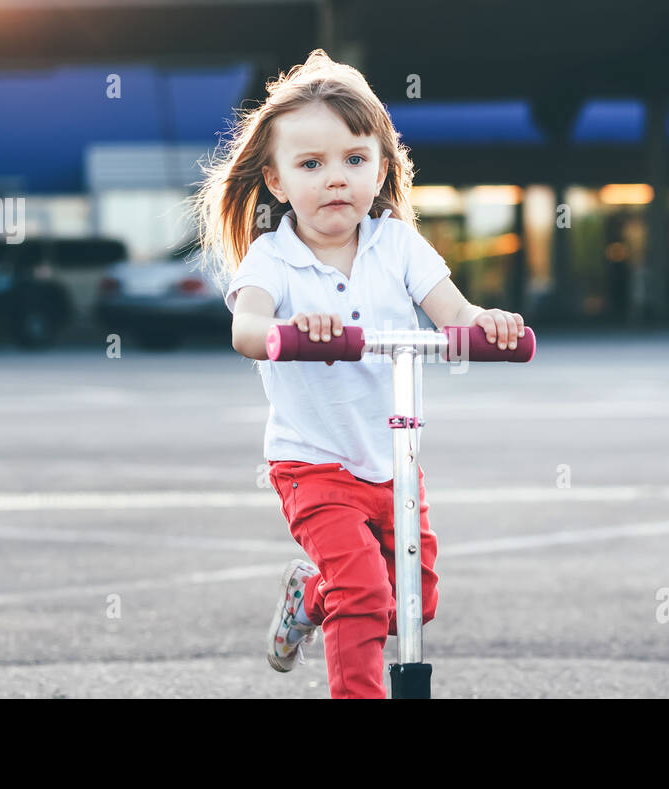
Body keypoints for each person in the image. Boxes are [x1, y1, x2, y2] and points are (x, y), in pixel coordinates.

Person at [188, 49, 527, 699]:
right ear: (278, 180)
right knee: (367, 594)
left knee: (411, 603)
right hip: (313, 462)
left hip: (394, 459)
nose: (335, 178)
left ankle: (310, 597)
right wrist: (291, 335)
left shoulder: (397, 245)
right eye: (311, 164)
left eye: (353, 159)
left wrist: (491, 325)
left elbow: (454, 315)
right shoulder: (273, 258)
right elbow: (246, 328)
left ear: (381, 167)